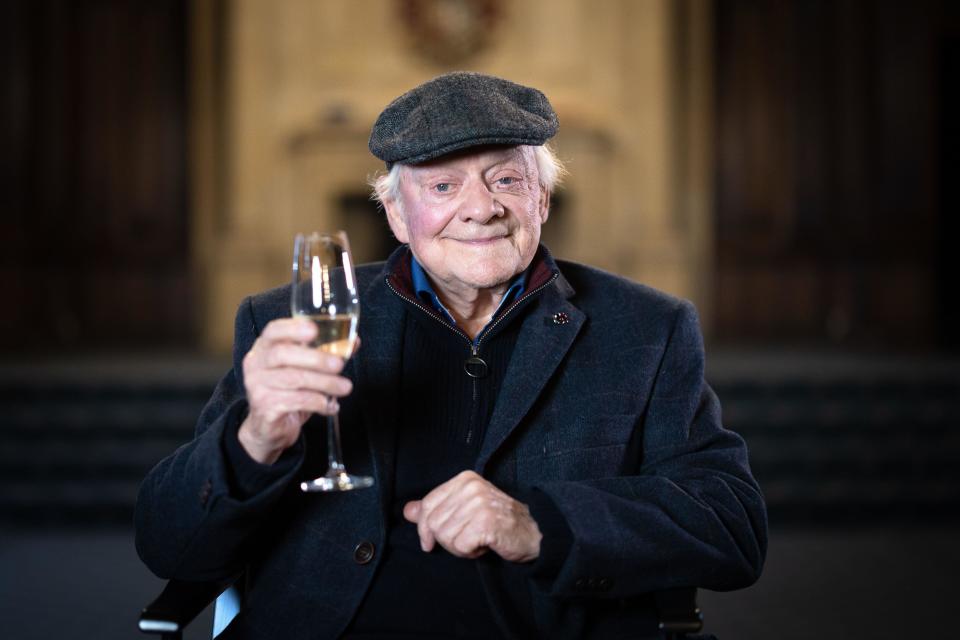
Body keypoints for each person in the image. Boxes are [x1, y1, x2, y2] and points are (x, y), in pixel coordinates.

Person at [135, 71, 767, 640]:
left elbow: (730, 526)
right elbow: (170, 547)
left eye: (507, 179)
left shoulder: (647, 327)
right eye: (443, 185)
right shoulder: (285, 321)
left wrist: (541, 525)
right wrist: (254, 442)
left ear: (542, 200)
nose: (481, 207)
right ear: (396, 216)